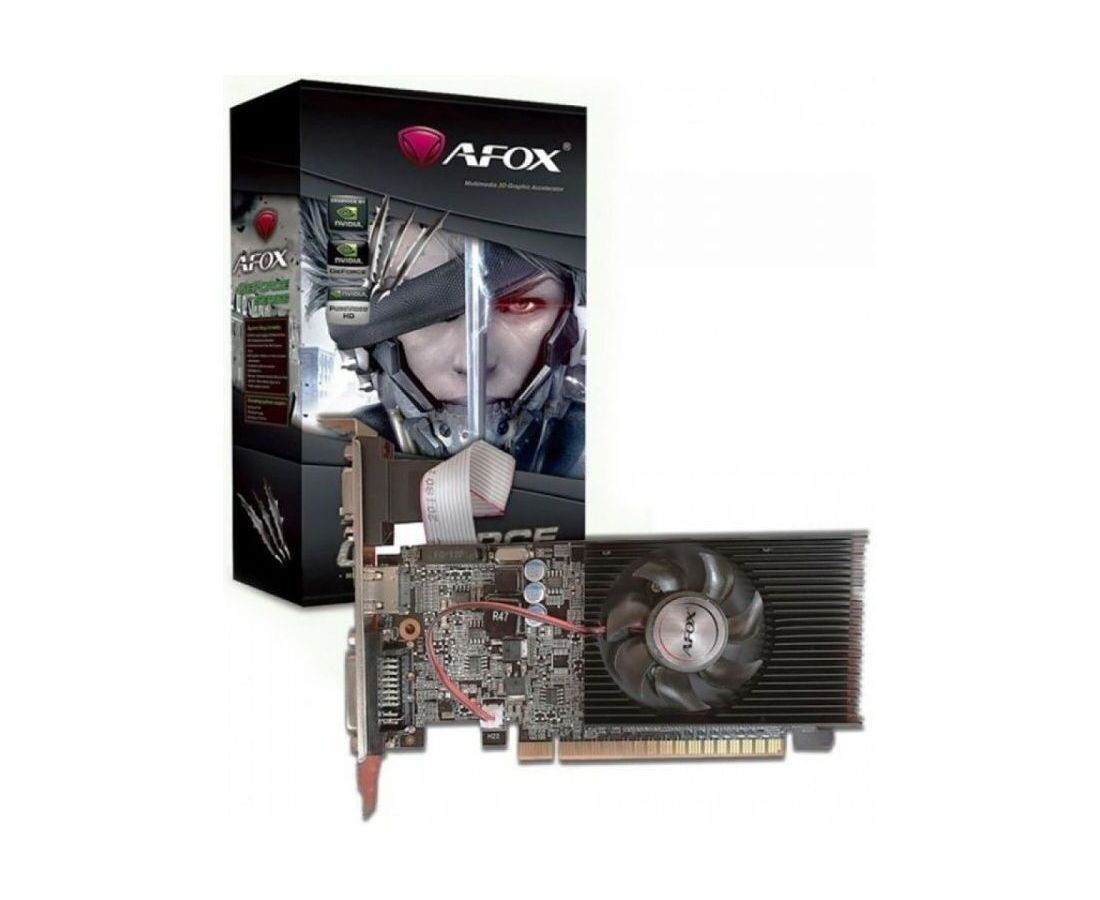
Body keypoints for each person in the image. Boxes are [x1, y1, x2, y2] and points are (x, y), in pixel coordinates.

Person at [302, 197, 585, 478]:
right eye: (422, 314)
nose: (474, 363)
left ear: (569, 327)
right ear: (367, 349)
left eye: (521, 305)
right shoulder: (321, 470)